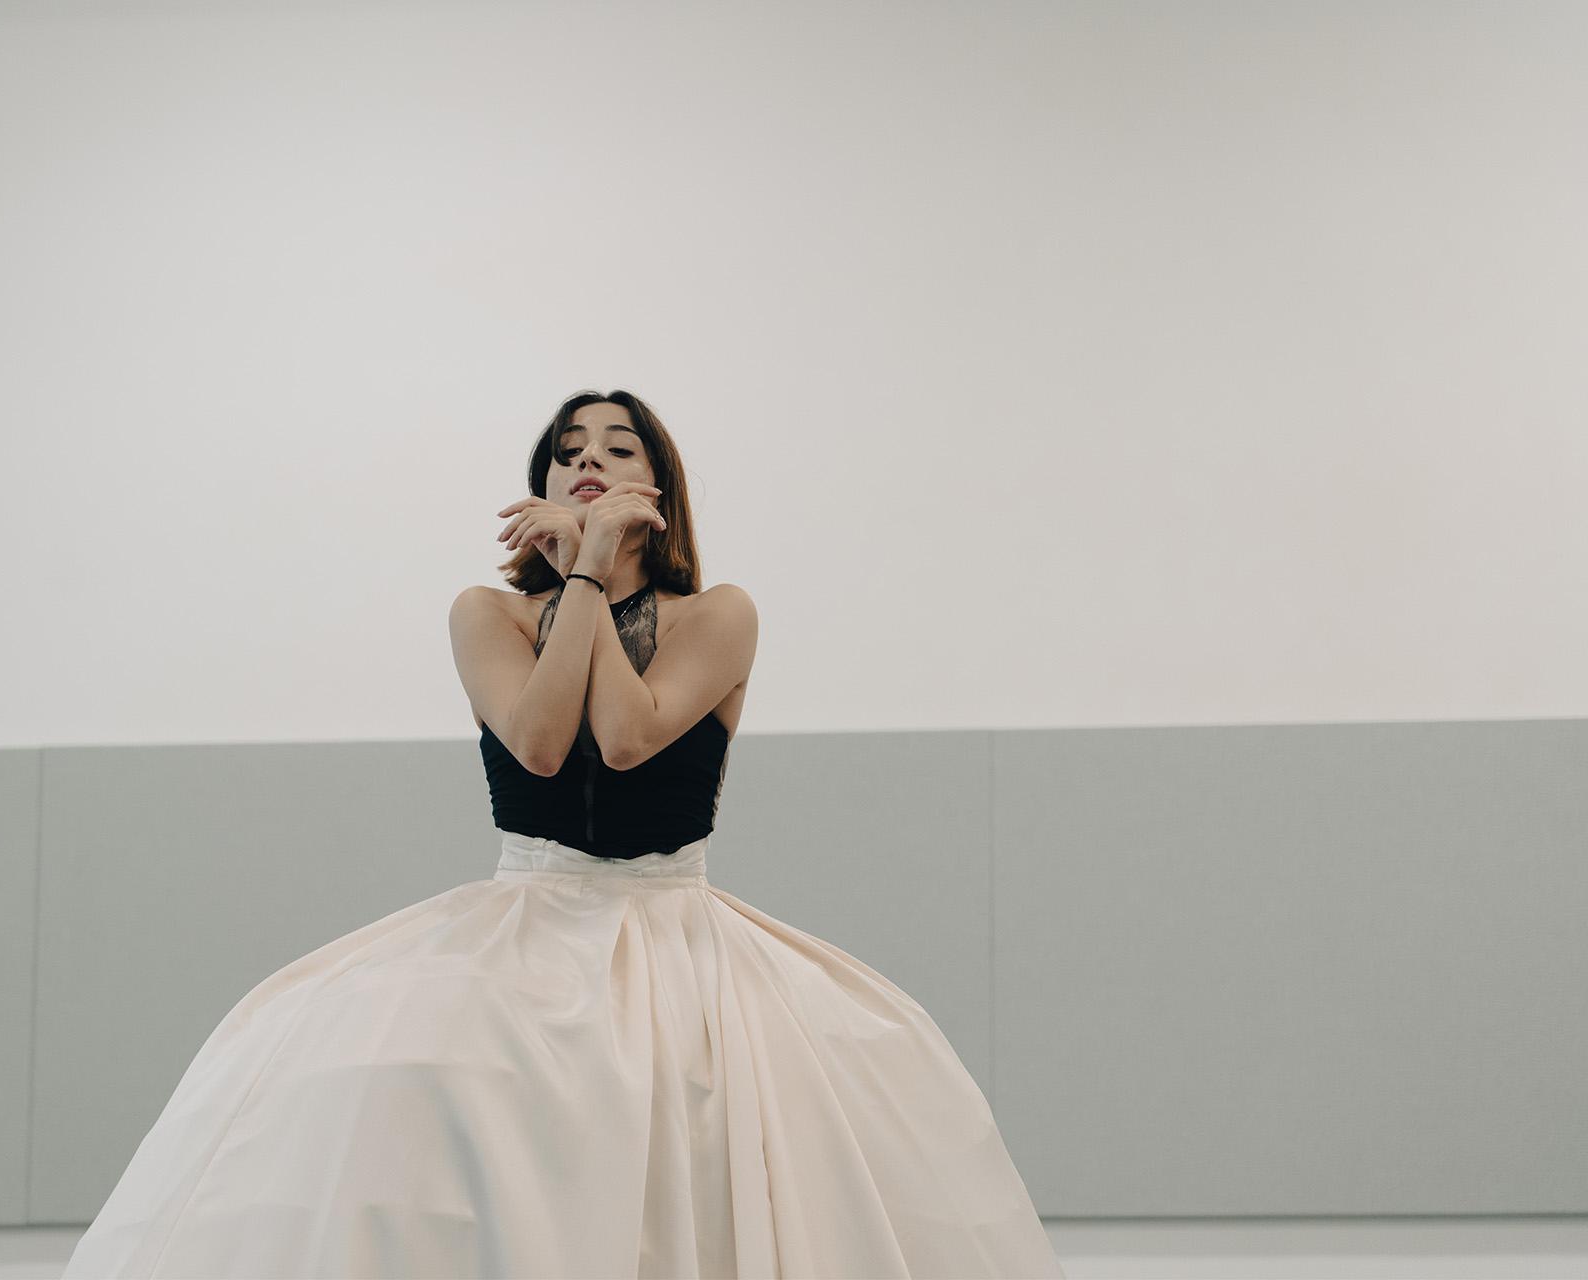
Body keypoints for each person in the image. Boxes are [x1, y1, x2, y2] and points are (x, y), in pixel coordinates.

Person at [61, 390, 1065, 1279]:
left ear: (659, 488)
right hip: (523, 915)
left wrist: (597, 571)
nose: (588, 460)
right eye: (568, 448)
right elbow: (541, 745)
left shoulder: (718, 613)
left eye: (620, 448)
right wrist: (582, 578)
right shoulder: (486, 611)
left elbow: (627, 736)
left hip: (676, 926)